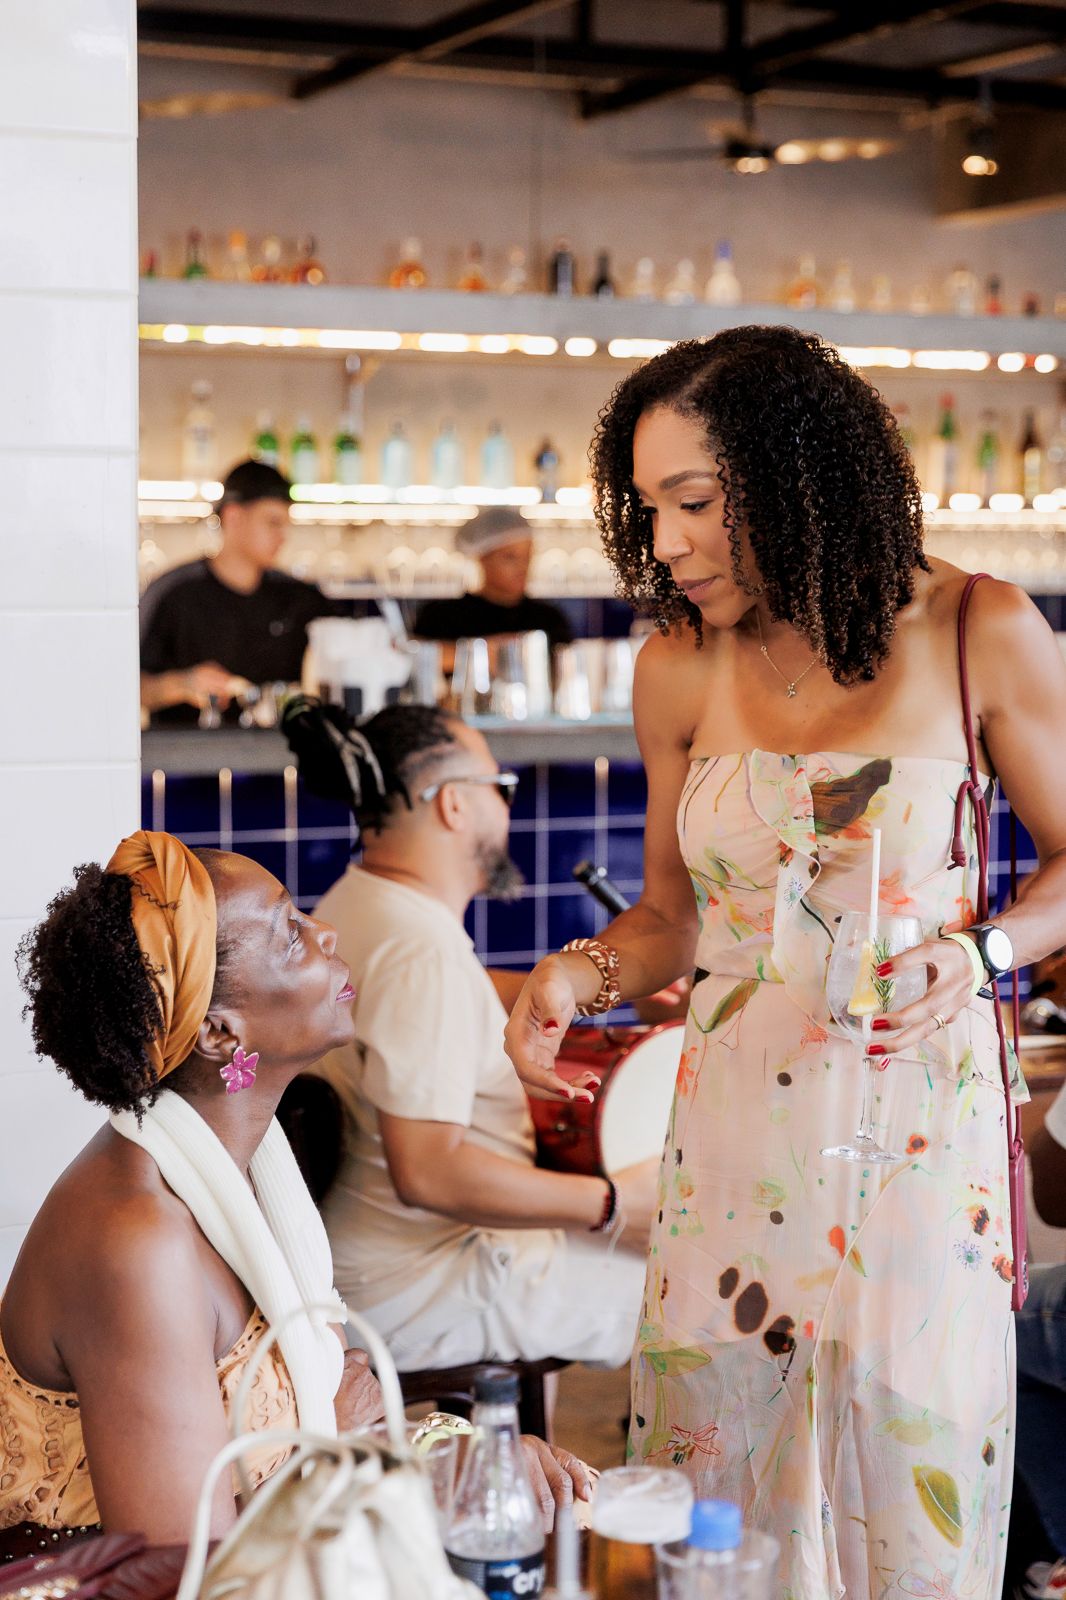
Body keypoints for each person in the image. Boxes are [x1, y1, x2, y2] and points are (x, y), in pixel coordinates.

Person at [501, 326, 1066, 1600]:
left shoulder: (980, 627)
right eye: (649, 508)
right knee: (719, 1516)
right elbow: (670, 918)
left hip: (916, 1157)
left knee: (906, 1499)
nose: (671, 542)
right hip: (730, 1156)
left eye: (696, 502)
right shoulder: (674, 669)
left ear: (799, 476)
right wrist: (577, 976)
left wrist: (981, 952)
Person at [0, 832, 591, 1554]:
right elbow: (179, 1572)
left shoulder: (249, 1168)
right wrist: (331, 1447)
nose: (326, 932)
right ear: (221, 1032)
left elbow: (335, 1429)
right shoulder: (136, 1242)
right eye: (290, 934)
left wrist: (466, 1458)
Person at [282, 696, 654, 1372]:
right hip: (421, 1287)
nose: (506, 809)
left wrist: (595, 989)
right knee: (702, 1290)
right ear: (454, 804)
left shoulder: (360, 903)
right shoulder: (422, 950)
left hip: (358, 1268)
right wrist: (616, 1204)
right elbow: (428, 1170)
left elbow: (459, 996)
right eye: (499, 788)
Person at [139, 459, 344, 724]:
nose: (283, 536)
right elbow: (126, 687)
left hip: (285, 758)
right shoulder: (174, 594)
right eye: (272, 522)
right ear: (233, 517)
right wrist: (182, 684)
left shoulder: (300, 597)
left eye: (285, 524)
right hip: (187, 758)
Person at [413, 506, 573, 668]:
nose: (522, 567)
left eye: (527, 555)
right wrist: (481, 654)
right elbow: (412, 660)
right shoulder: (441, 616)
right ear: (482, 558)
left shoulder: (549, 619)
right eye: (510, 557)